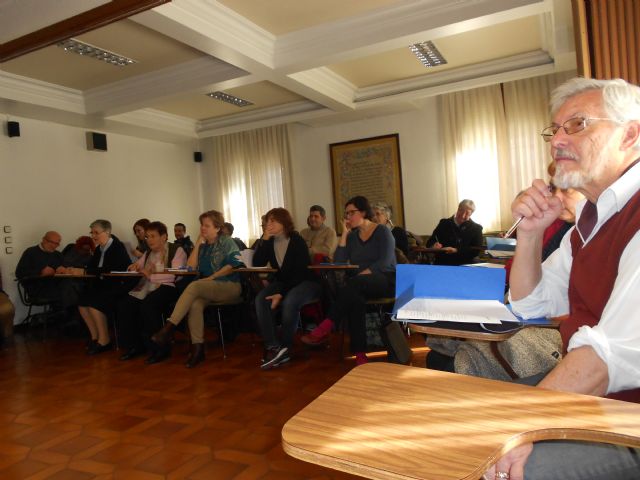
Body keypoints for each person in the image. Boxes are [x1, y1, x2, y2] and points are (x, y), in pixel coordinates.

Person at [485, 77, 640, 480]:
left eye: (578, 124)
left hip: (630, 417)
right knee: (478, 416)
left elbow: (607, 359)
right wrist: (532, 233)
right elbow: (531, 303)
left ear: (630, 134)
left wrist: (519, 429)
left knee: (494, 462)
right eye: (554, 130)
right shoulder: (589, 221)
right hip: (605, 399)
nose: (556, 141)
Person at [301, 196, 396, 365]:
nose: (347, 217)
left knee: (353, 285)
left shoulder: (382, 231)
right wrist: (344, 234)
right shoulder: (352, 237)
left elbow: (386, 261)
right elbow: (338, 260)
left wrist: (362, 275)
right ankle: (360, 355)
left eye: (351, 213)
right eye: (346, 214)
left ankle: (325, 326)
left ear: (364, 212)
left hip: (385, 280)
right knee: (355, 299)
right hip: (359, 286)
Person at [151, 210, 243, 368]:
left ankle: (169, 327)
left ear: (217, 228)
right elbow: (191, 267)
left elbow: (233, 265)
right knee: (195, 304)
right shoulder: (203, 247)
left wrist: (212, 277)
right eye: (202, 225)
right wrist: (199, 242)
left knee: (194, 285)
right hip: (208, 288)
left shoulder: (227, 241)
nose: (203, 228)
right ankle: (198, 350)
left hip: (229, 286)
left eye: (207, 226)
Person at [253, 208, 322, 369]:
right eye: (267, 221)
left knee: (290, 301)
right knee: (260, 299)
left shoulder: (296, 240)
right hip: (284, 283)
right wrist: (264, 239)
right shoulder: (269, 242)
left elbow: (299, 273)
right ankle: (272, 346)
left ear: (284, 223)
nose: (268, 225)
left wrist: (280, 294)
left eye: (272, 221)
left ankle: (285, 348)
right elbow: (257, 263)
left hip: (306, 282)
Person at [116, 221, 187, 364]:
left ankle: (161, 349)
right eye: (147, 237)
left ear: (164, 237)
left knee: (148, 306)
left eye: (153, 236)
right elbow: (139, 266)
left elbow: (176, 274)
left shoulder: (176, 250)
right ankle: (136, 346)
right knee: (125, 305)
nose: (149, 240)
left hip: (169, 287)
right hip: (148, 286)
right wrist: (133, 266)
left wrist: (150, 276)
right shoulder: (148, 253)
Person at [78, 220, 134, 355]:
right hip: (103, 286)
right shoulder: (98, 249)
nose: (93, 236)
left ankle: (105, 340)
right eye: (92, 232)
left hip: (117, 286)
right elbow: (92, 267)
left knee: (94, 303)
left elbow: (111, 269)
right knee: (82, 303)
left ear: (107, 232)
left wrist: (85, 272)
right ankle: (95, 337)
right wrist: (77, 270)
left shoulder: (117, 247)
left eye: (96, 232)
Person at [15, 231, 71, 306]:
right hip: (37, 288)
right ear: (44, 240)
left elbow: (65, 268)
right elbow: (19, 273)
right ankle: (61, 315)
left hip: (55, 286)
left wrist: (64, 270)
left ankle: (62, 315)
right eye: (52, 242)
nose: (54, 246)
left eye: (57, 244)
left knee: (74, 287)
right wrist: (40, 272)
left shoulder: (57, 254)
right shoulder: (30, 252)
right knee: (70, 291)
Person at [426, 199, 483, 265]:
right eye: (461, 211)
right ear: (458, 208)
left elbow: (476, 249)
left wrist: (457, 250)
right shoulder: (444, 223)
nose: (463, 216)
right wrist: (433, 245)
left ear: (471, 214)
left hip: (466, 263)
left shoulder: (476, 228)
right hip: (443, 262)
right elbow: (430, 241)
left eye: (467, 213)